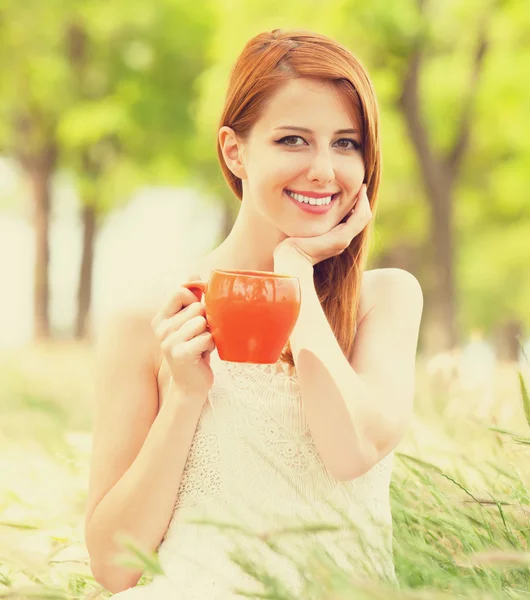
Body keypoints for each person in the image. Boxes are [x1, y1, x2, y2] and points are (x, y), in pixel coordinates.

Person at [84, 28, 424, 599]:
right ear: (233, 151)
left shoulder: (384, 299)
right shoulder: (151, 319)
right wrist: (186, 397)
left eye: (347, 143)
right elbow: (115, 567)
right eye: (293, 140)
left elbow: (351, 451)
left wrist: (292, 271)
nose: (324, 169)